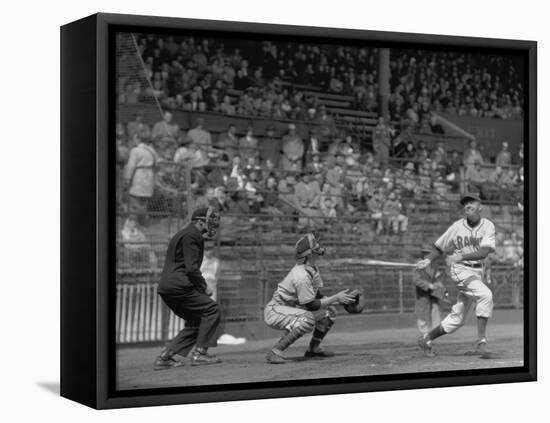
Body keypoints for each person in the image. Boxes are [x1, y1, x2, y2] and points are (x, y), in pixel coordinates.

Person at [416, 193, 496, 358]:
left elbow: (484, 252)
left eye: (471, 202)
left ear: (480, 205)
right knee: (485, 295)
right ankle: (481, 341)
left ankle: (426, 339)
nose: (467, 205)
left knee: (457, 318)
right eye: (465, 203)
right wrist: (427, 260)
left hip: (476, 271)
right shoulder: (457, 227)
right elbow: (440, 247)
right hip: (460, 270)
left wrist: (461, 255)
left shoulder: (488, 226)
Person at [263, 233, 356, 364]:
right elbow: (311, 305)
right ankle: (275, 352)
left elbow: (316, 296)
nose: (319, 248)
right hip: (275, 311)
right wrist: (335, 297)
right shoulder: (301, 275)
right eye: (315, 246)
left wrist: (341, 300)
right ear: (308, 254)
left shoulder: (312, 269)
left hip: (290, 309)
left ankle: (314, 349)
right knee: (307, 319)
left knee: (330, 312)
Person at [154, 207, 223, 369]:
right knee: (212, 310)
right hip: (179, 284)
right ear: (199, 221)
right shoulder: (193, 235)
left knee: (197, 321)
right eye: (209, 220)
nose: (213, 224)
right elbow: (191, 268)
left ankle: (165, 358)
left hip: (168, 286)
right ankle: (200, 354)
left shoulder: (184, 233)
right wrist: (203, 287)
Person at [413, 245, 447, 355]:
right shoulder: (418, 265)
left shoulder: (433, 266)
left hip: (432, 298)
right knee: (423, 322)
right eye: (426, 253)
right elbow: (416, 280)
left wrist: (439, 286)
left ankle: (426, 342)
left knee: (436, 323)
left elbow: (435, 279)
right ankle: (426, 345)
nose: (428, 255)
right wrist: (428, 285)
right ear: (422, 254)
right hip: (422, 298)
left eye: (429, 252)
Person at [124, 136, 160, 225]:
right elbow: (158, 164)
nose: (133, 140)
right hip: (149, 176)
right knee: (143, 201)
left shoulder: (135, 150)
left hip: (139, 176)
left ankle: (142, 220)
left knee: (133, 199)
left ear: (138, 139)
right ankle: (140, 223)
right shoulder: (152, 150)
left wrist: (127, 178)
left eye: (134, 138)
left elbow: (131, 165)